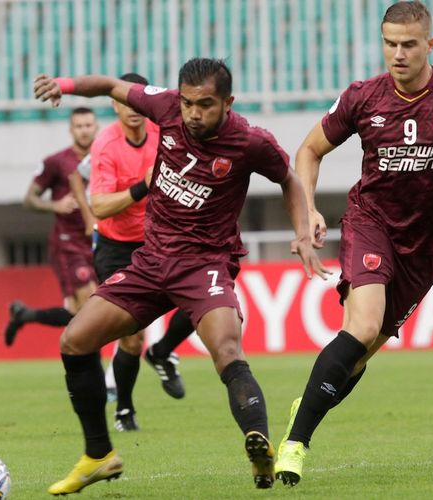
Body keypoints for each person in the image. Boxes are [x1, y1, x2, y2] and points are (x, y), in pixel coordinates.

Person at [32, 57, 327, 495]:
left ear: (228, 102)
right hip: (150, 263)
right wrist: (65, 84)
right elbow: (111, 84)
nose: (193, 113)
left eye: (205, 105)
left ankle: (261, 449)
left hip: (205, 265)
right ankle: (98, 455)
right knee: (74, 341)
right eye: (188, 103)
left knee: (227, 349)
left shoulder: (249, 141)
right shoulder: (165, 106)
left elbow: (289, 180)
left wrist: (303, 233)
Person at [273, 0, 433, 487]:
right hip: (370, 222)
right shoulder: (363, 97)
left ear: (430, 44)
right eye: (389, 44)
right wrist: (310, 209)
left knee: (357, 357)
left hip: (424, 249)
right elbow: (308, 150)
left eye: (408, 44)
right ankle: (295, 443)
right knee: (360, 328)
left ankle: (311, 401)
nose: (397, 54)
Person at [69, 73, 194, 433]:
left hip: (160, 238)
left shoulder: (165, 134)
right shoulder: (105, 145)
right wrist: (143, 185)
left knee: (202, 299)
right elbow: (102, 206)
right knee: (131, 334)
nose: (132, 109)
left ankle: (163, 351)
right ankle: (124, 409)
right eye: (124, 101)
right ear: (114, 104)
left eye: (136, 101)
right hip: (115, 247)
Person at [3, 107, 99, 345]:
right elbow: (29, 199)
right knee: (90, 306)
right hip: (68, 244)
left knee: (85, 312)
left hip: (97, 242)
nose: (84, 131)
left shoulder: (104, 157)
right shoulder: (56, 162)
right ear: (70, 130)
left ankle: (25, 315)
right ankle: (94, 375)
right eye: (79, 126)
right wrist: (55, 205)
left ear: (96, 128)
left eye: (88, 125)